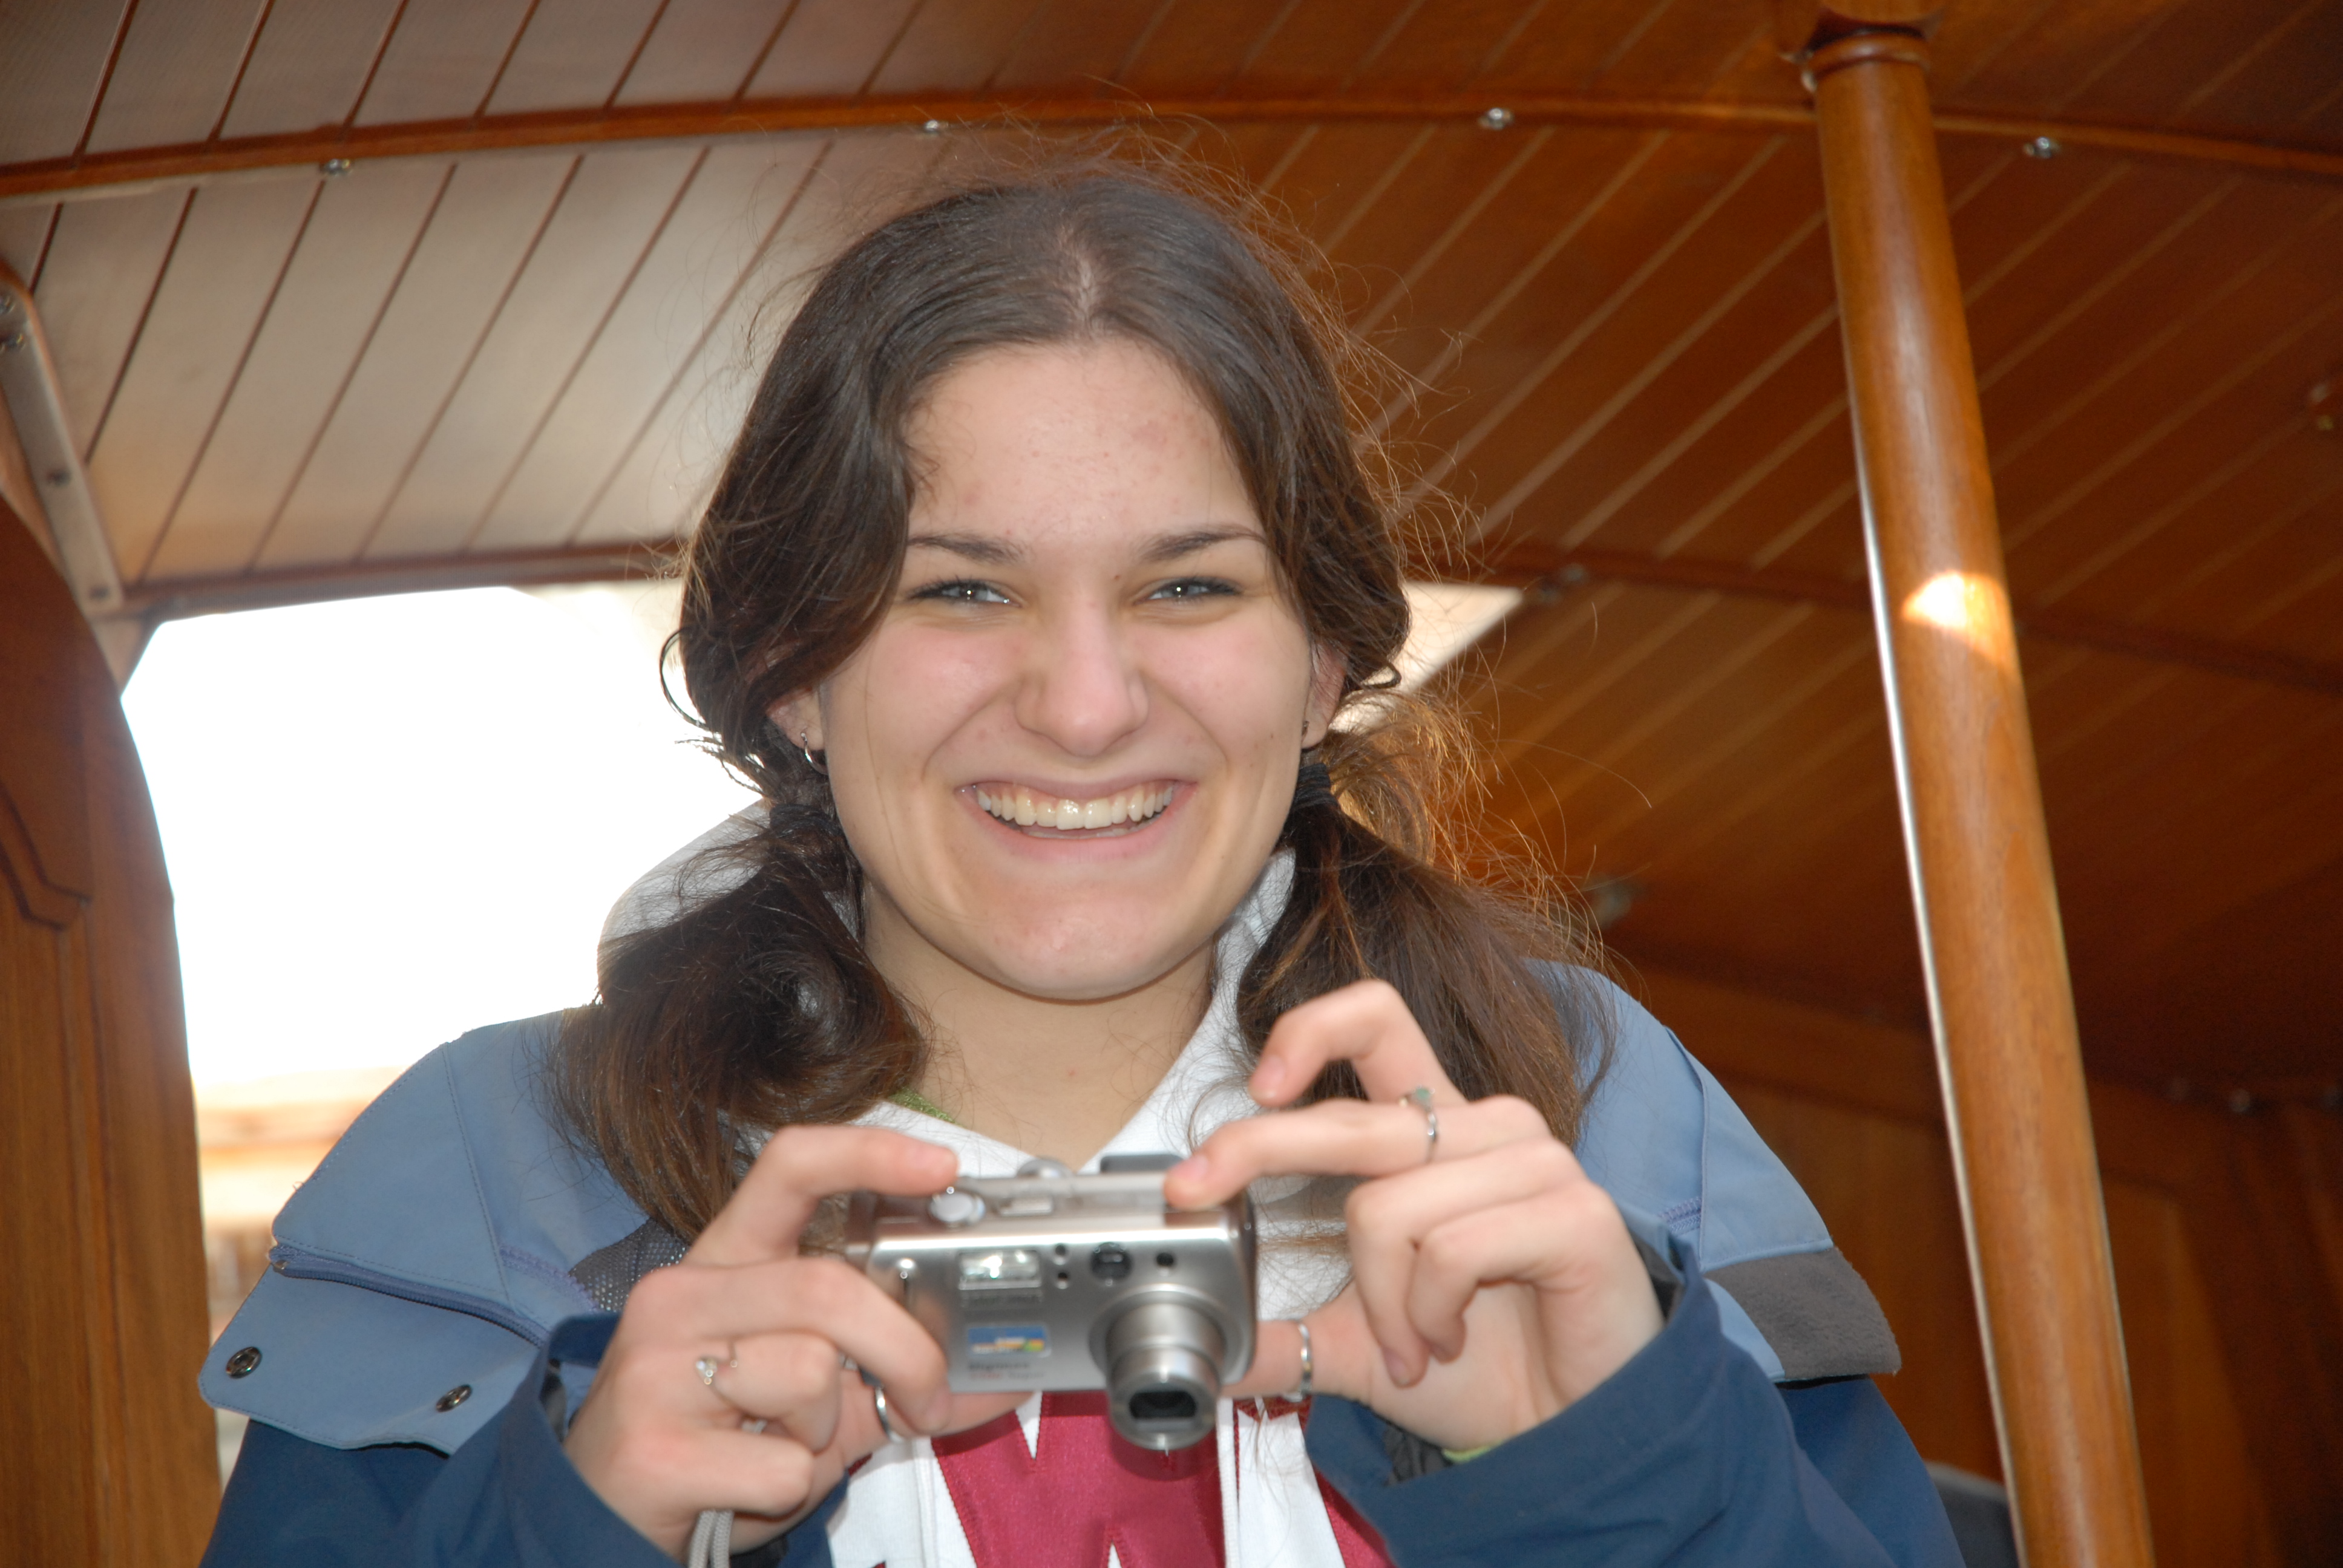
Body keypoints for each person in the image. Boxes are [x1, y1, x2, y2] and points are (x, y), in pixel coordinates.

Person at [200, 162, 1962, 1567]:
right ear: (796, 669)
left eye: (1189, 585)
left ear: (1323, 662)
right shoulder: (494, 1172)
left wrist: (1622, 1481)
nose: (1087, 705)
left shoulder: (1596, 1113)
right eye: (961, 589)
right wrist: (570, 1530)